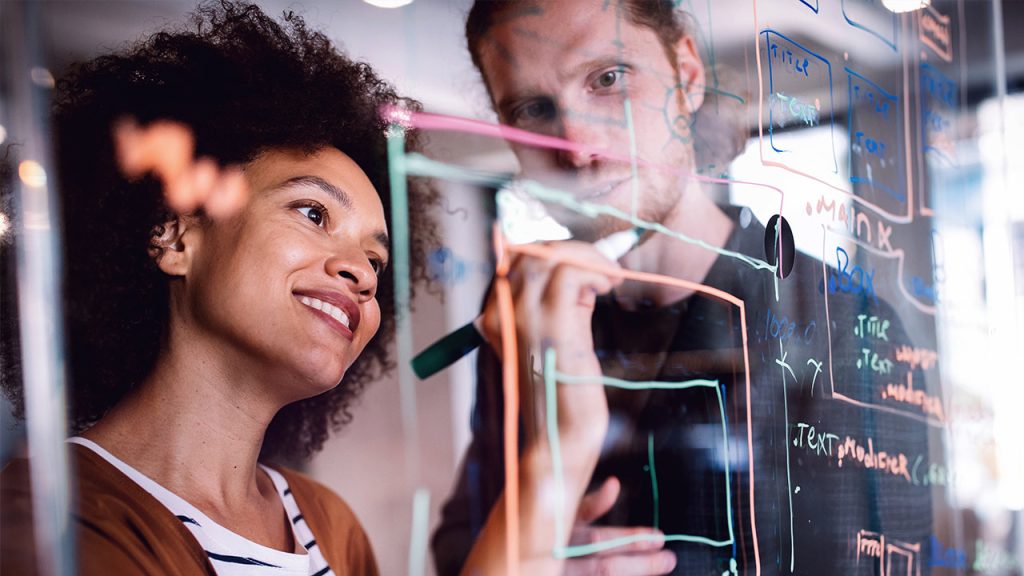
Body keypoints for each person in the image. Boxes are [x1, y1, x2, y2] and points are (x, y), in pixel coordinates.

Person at [0, 2, 621, 574]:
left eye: (376, 260)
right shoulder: (51, 520)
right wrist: (562, 449)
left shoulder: (327, 523)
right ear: (175, 239)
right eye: (313, 214)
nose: (360, 273)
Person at [433, 1, 934, 575]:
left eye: (608, 79)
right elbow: (455, 546)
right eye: (532, 108)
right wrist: (530, 552)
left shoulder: (838, 321)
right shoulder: (525, 313)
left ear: (687, 75)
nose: (576, 146)